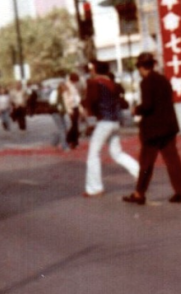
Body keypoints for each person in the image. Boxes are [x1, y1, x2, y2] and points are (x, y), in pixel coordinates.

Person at [121, 52, 181, 204]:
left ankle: (139, 193)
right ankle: (180, 191)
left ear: (141, 67)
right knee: (173, 161)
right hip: (168, 127)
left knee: (146, 163)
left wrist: (137, 109)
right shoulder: (163, 80)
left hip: (153, 130)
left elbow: (148, 105)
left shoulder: (146, 82)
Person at [82, 59, 139, 198]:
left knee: (93, 154)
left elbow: (91, 102)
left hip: (104, 122)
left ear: (95, 70)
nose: (90, 71)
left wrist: (88, 119)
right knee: (117, 153)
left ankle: (95, 188)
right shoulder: (112, 83)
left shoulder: (94, 83)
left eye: (91, 69)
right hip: (115, 121)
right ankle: (139, 172)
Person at [50, 81, 70, 151]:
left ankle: (54, 142)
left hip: (61, 113)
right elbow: (52, 103)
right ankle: (64, 146)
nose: (65, 88)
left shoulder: (63, 94)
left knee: (63, 128)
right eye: (63, 86)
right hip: (56, 112)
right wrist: (59, 107)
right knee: (62, 129)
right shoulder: (55, 93)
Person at [64, 72, 82, 149]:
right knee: (74, 125)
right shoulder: (67, 85)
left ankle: (74, 141)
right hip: (71, 106)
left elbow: (76, 96)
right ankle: (69, 139)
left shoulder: (73, 85)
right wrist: (68, 108)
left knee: (76, 124)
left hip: (75, 105)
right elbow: (65, 97)